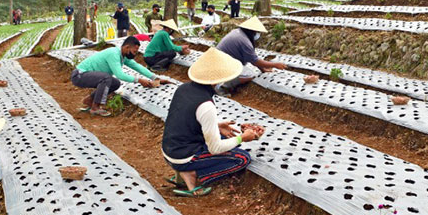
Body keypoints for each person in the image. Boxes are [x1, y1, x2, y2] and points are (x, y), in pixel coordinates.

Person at [161, 47, 265, 198]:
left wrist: (216, 126)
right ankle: (192, 173)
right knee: (242, 159)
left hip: (169, 150)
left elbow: (184, 120)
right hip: (183, 157)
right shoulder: (206, 105)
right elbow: (215, 148)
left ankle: (185, 171)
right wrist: (242, 138)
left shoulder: (183, 88)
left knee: (226, 138)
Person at [71, 36, 158, 116]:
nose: (135, 54)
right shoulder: (114, 53)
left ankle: (90, 100)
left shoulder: (123, 56)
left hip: (86, 75)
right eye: (134, 51)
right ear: (127, 47)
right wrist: (139, 80)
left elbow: (137, 67)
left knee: (115, 83)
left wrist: (155, 78)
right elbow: (119, 74)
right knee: (106, 78)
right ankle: (95, 107)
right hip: (79, 75)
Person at [214, 17, 287, 95]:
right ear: (252, 31)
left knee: (245, 70)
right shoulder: (244, 41)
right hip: (222, 65)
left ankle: (226, 82)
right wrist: (275, 65)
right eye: (257, 32)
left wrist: (263, 69)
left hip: (220, 61)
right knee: (249, 74)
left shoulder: (237, 32)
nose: (257, 34)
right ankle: (221, 86)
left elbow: (252, 58)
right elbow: (255, 61)